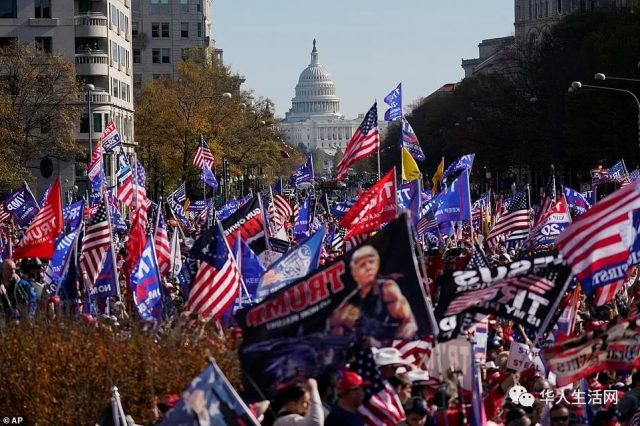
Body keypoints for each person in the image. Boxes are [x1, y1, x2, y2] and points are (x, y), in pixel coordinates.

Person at [328, 245, 418, 340]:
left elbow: (409, 323)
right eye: (362, 264)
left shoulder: (387, 289)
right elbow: (331, 326)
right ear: (355, 274)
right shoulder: (349, 305)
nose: (368, 267)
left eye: (371, 262)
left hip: (393, 348)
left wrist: (385, 344)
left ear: (377, 265)